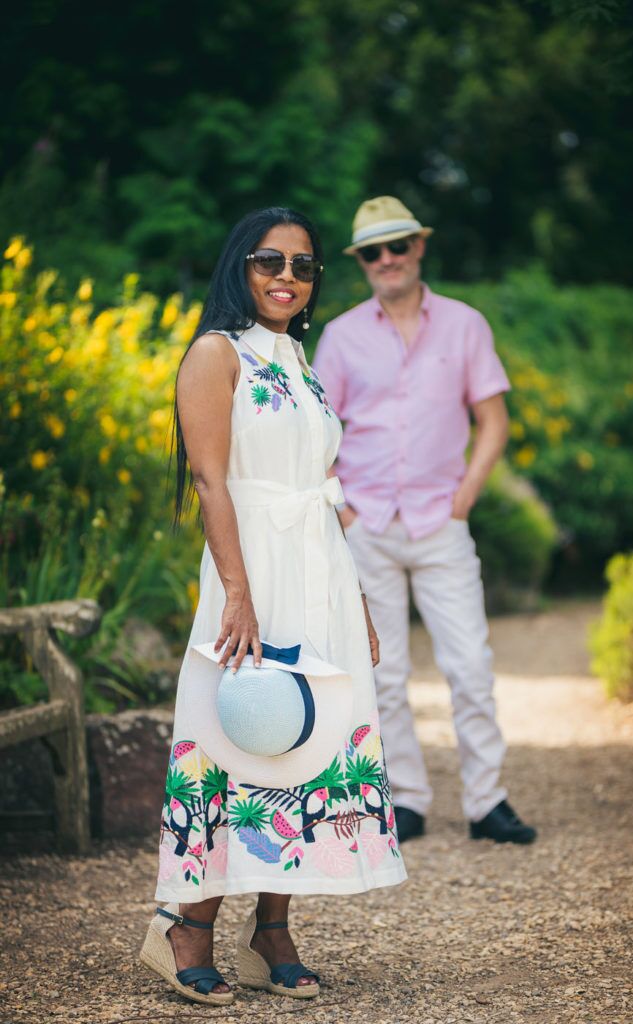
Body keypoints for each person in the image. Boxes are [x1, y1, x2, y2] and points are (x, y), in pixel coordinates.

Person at [140, 207, 406, 1007]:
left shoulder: (300, 360)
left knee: (311, 737)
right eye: (269, 261)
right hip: (248, 566)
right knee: (233, 735)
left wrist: (354, 599)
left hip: (317, 564)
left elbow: (322, 492)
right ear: (240, 267)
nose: (286, 276)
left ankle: (272, 928)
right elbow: (211, 480)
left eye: (302, 266)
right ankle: (185, 925)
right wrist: (238, 593)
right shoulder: (215, 354)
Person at [313, 196, 536, 847]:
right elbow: (318, 434)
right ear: (361, 262)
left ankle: (487, 801)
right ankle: (405, 798)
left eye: (397, 246)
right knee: (383, 672)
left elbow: (493, 420)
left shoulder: (465, 325)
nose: (386, 259)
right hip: (368, 523)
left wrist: (464, 496)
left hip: (442, 521)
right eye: (372, 252)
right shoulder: (341, 336)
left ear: (419, 247)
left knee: (469, 662)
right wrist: (344, 510)